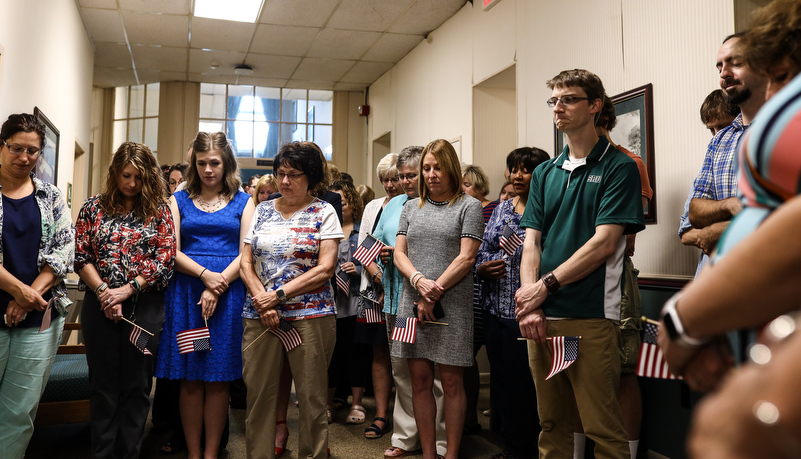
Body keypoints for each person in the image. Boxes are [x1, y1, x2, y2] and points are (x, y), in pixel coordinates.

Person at [658, 0, 801, 391]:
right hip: (743, 320)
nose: (774, 92)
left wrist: (684, 319)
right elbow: (692, 216)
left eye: (780, 74)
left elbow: (785, 225)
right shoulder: (725, 139)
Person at [514, 69, 644, 458]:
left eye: (568, 99)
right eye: (554, 100)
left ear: (595, 106)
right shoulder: (544, 171)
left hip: (589, 315)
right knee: (552, 425)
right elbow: (531, 243)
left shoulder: (619, 167)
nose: (559, 108)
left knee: (602, 428)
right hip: (541, 319)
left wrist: (544, 287)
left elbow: (604, 243)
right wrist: (532, 301)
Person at [240, 141, 343, 459]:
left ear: (310, 176)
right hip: (260, 315)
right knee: (259, 397)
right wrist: (262, 299)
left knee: (312, 399)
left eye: (293, 175)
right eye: (280, 174)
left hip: (311, 315)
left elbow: (325, 268)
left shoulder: (323, 211)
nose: (284, 181)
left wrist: (278, 296)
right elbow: (245, 262)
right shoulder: (262, 209)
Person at [156, 132, 255, 459]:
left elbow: (246, 253)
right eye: (202, 163)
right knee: (192, 377)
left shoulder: (244, 201)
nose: (209, 169)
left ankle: (212, 453)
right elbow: (171, 249)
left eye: (215, 162)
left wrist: (219, 283)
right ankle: (194, 453)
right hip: (188, 295)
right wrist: (205, 276)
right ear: (193, 164)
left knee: (218, 378)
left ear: (226, 163)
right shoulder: (179, 198)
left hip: (226, 298)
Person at [75, 141, 176, 459]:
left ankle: (129, 453)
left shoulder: (159, 211)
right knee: (103, 386)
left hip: (144, 306)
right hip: (99, 303)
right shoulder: (93, 207)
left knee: (137, 386)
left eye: (139, 178)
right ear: (114, 173)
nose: (131, 183)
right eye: (126, 175)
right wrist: (105, 292)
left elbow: (165, 259)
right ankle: (102, 453)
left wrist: (127, 289)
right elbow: (80, 255)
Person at [392, 139, 485, 459]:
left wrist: (435, 291)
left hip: (453, 303)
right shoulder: (409, 206)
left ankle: (452, 454)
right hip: (411, 301)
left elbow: (467, 257)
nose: (431, 175)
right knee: (418, 380)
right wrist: (419, 283)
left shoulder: (468, 206)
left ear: (452, 169)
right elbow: (399, 254)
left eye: (438, 168)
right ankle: (429, 453)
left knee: (451, 381)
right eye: (426, 169)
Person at [0, 114, 75, 458]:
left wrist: (30, 293)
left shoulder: (51, 195)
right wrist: (19, 290)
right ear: (2, 146)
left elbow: (64, 249)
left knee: (19, 411)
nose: (24, 157)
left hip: (37, 319)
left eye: (33, 151)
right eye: (16, 148)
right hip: (14, 303)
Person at [373, 146, 447, 459]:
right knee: (403, 371)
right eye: (401, 176)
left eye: (411, 175)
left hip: (431, 301)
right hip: (396, 300)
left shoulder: (441, 205)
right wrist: (382, 258)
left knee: (437, 375)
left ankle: (441, 440)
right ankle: (406, 436)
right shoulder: (393, 206)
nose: (405, 182)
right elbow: (375, 244)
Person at [476, 146, 549, 459]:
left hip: (529, 312)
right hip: (495, 310)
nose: (518, 176)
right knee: (503, 382)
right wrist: (482, 266)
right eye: (514, 169)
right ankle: (512, 446)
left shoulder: (549, 209)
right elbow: (481, 249)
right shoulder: (502, 209)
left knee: (528, 387)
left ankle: (530, 449)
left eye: (526, 169)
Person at [677, 33, 768, 277]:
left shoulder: (788, 129)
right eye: (719, 66)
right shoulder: (720, 140)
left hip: (774, 286)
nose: (723, 73)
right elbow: (695, 211)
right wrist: (729, 205)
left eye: (735, 62)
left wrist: (722, 229)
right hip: (717, 282)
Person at [357, 152, 400, 440]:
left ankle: (406, 417)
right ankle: (381, 414)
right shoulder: (373, 206)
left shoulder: (410, 204)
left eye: (394, 178)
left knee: (405, 355)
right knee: (380, 353)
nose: (390, 184)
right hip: (374, 292)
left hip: (402, 290)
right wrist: (379, 280)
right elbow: (364, 248)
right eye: (384, 179)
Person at [327, 181, 371, 426]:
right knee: (331, 356)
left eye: (342, 202)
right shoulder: (325, 228)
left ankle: (357, 403)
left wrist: (359, 268)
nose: (337, 207)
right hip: (330, 303)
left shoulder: (361, 231)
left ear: (352, 203)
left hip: (356, 302)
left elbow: (374, 262)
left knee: (357, 354)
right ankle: (328, 404)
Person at [677, 90, 741, 255]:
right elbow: (685, 233)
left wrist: (721, 228)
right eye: (711, 129)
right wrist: (711, 232)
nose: (716, 135)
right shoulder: (707, 171)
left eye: (723, 126)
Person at [460, 163, 497, 435]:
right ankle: (469, 417)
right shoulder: (463, 210)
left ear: (480, 186)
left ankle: (499, 420)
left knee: (498, 361)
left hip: (490, 293)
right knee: (466, 359)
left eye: (467, 184)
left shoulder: (492, 209)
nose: (462, 190)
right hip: (467, 291)